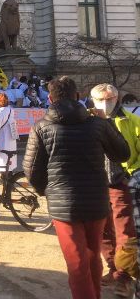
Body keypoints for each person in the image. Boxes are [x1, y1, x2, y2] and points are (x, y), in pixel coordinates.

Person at [23, 77, 130, 299]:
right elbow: (122, 154)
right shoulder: (98, 124)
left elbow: (32, 171)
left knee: (77, 263)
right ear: (78, 97)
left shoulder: (41, 127)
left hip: (65, 206)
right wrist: (107, 122)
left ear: (50, 98)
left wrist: (49, 191)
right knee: (91, 258)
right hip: (96, 201)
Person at [90, 84, 139, 297]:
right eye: (101, 99)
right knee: (102, 230)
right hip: (96, 183)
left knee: (124, 229)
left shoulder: (132, 121)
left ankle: (125, 276)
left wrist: (133, 176)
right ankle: (114, 268)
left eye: (109, 99)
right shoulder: (87, 122)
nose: (105, 103)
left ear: (116, 99)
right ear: (92, 100)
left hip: (122, 182)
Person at [0, 93, 18, 172]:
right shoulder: (11, 110)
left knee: (2, 160)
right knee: (10, 160)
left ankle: (5, 179)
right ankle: (10, 178)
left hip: (2, 139)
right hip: (11, 138)